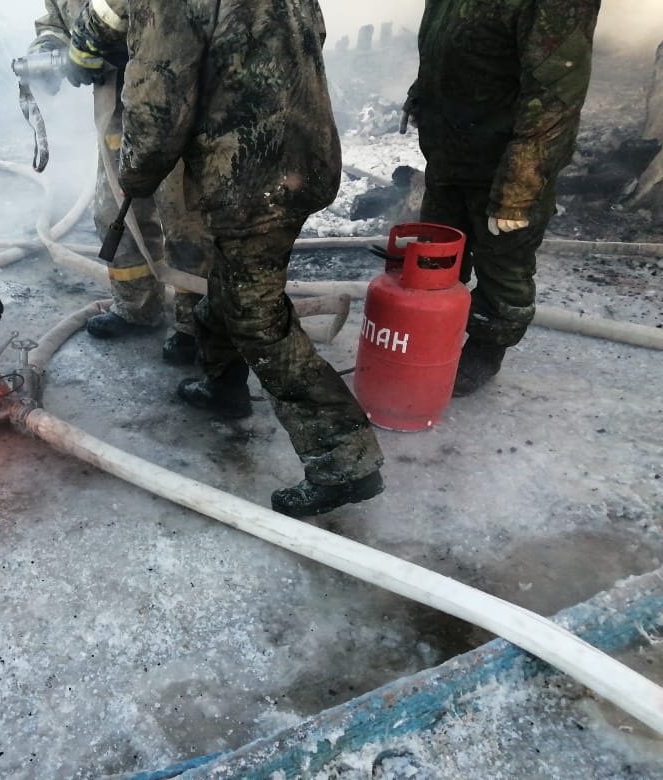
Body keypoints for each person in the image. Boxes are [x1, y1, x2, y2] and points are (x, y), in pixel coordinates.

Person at [106, 0, 385, 517]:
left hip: (252, 175)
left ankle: (344, 460)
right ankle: (223, 385)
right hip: (301, 159)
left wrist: (137, 174)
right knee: (231, 285)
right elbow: (309, 40)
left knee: (256, 316)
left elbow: (158, 95)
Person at [402, 0, 602, 396]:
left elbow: (555, 98)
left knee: (503, 267)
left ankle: (484, 352)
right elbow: (445, 49)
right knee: (436, 256)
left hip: (504, 163)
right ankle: (431, 337)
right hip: (450, 153)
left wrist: (519, 188)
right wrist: (420, 96)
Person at [27, 0, 215, 364]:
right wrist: (49, 46)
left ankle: (196, 326)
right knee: (116, 211)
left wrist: (86, 44)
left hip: (175, 97)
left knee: (185, 221)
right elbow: (56, 18)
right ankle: (136, 307)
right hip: (119, 103)